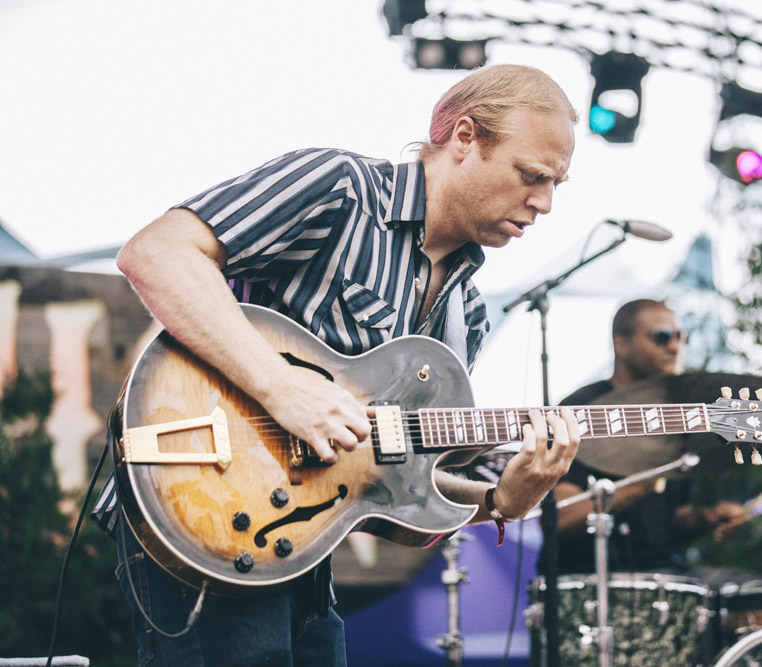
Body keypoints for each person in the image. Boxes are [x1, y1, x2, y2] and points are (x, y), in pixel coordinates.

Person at [92, 64, 582, 667]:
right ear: (464, 137)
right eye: (532, 175)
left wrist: (501, 500)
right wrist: (281, 387)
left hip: (298, 545)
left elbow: (390, 486)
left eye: (557, 184)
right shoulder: (342, 189)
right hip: (198, 498)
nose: (546, 202)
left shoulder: (467, 315)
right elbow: (155, 252)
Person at [553, 298, 747, 574]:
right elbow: (560, 517)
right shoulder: (581, 410)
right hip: (589, 580)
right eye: (662, 337)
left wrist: (707, 517)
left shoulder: (675, 416)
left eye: (680, 337)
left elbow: (672, 517)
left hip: (663, 575)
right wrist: (646, 481)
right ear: (622, 344)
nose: (674, 346)